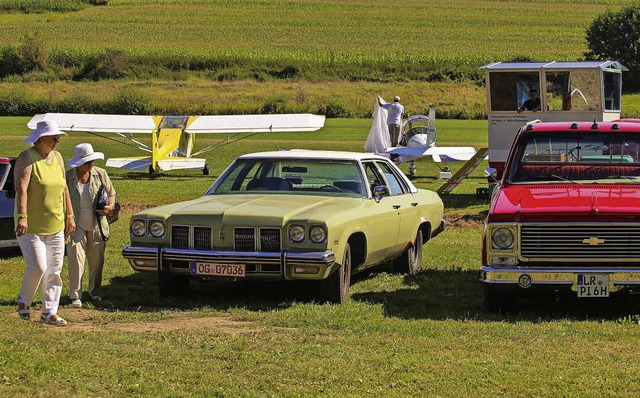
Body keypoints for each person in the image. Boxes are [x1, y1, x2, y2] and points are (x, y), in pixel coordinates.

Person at [15, 120, 75, 326]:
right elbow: (21, 189)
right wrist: (22, 215)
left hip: (56, 223)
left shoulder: (57, 157)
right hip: (31, 225)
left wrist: (70, 215)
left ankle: (49, 312)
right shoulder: (27, 157)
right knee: (39, 266)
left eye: (57, 137)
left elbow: (64, 188)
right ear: (41, 139)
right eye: (53, 137)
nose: (57, 140)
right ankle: (24, 302)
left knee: (55, 270)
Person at [66, 143, 116, 307]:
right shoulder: (68, 176)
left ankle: (94, 292)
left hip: (97, 225)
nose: (90, 165)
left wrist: (109, 207)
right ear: (78, 163)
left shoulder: (101, 174)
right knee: (75, 258)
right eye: (87, 162)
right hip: (75, 224)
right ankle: (75, 295)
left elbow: (111, 194)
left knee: (96, 261)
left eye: (92, 161)